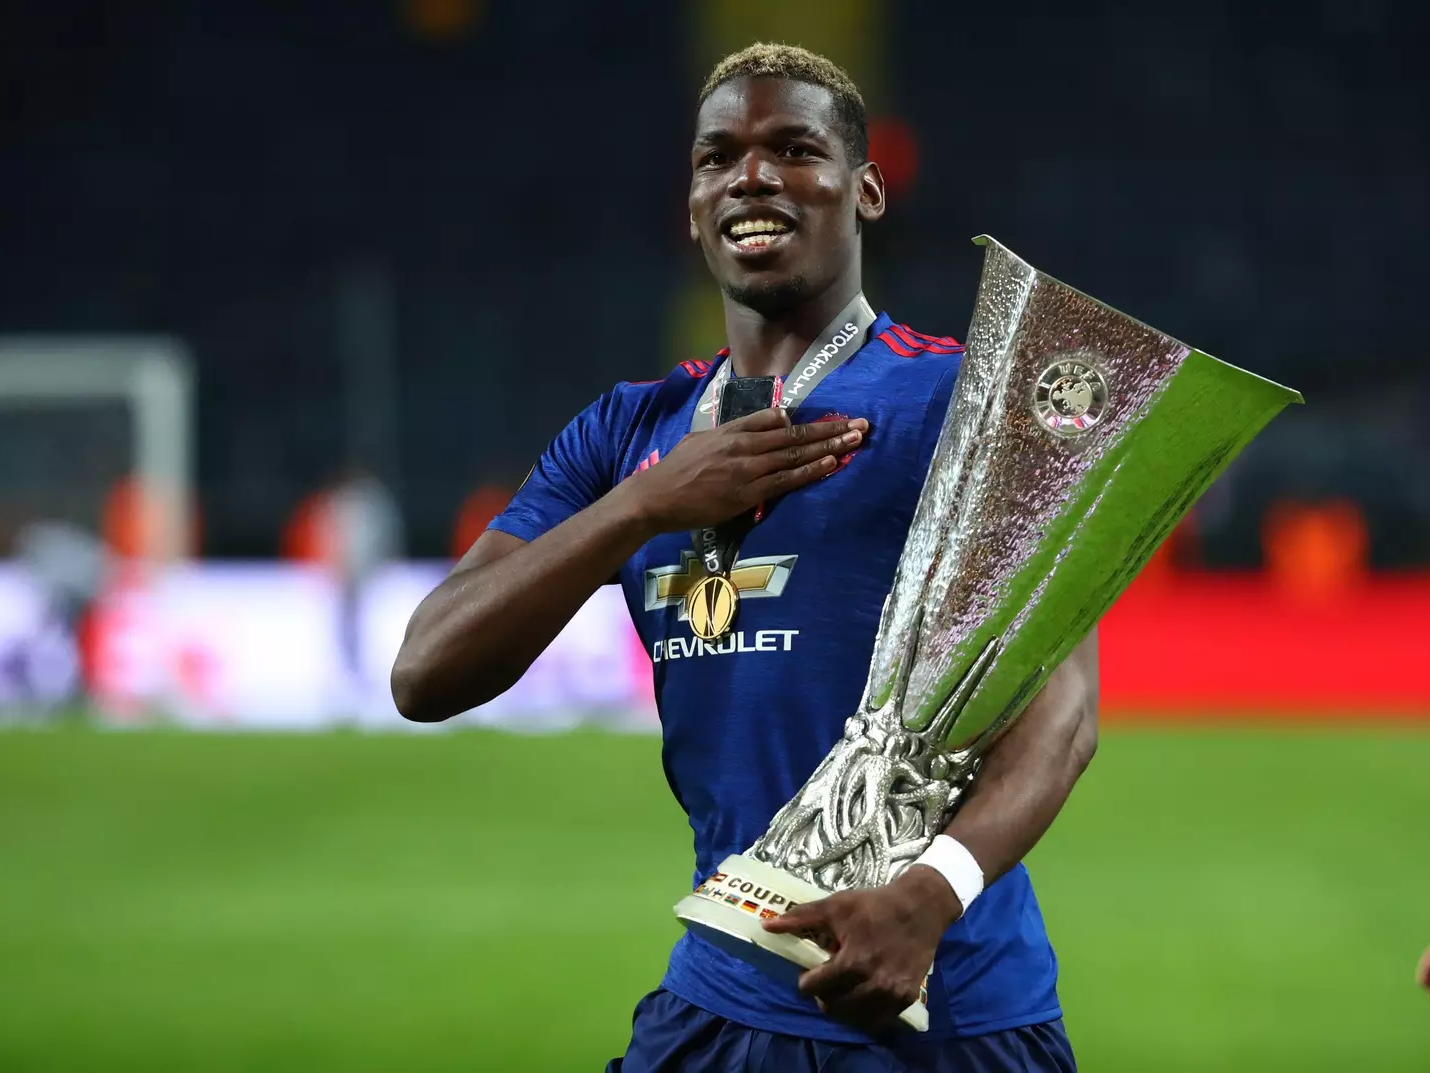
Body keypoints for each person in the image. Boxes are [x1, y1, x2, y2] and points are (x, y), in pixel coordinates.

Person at [392, 43, 1098, 1073]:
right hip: (723, 998)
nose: (751, 176)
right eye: (717, 157)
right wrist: (645, 504)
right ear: (691, 205)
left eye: (793, 149)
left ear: (866, 191)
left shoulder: (968, 403)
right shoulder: (626, 433)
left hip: (950, 1003)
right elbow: (424, 669)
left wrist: (931, 894)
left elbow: (1063, 715)